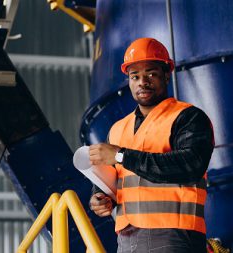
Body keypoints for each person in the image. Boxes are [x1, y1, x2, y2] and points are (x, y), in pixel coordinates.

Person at [89, 38, 214, 253]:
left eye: (151, 74)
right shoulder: (117, 129)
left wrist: (121, 156)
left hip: (174, 235)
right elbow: (111, 180)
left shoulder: (188, 117)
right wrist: (100, 199)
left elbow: (190, 165)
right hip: (126, 237)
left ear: (167, 75)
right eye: (134, 76)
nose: (142, 82)